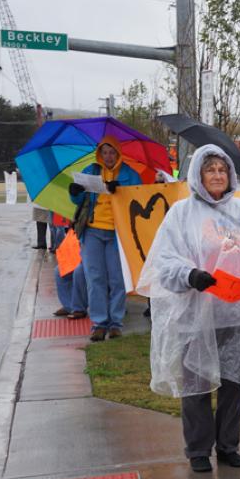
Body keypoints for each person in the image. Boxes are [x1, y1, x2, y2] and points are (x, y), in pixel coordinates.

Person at [137, 145, 240, 473]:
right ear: (198, 174)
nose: (218, 176)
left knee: (232, 384)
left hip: (238, 313)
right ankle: (197, 449)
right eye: (211, 170)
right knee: (196, 386)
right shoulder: (182, 213)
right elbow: (165, 261)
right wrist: (190, 275)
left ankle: (228, 445)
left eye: (222, 170)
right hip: (197, 316)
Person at [68, 136, 143, 341]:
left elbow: (139, 199)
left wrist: (121, 191)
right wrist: (74, 192)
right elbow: (78, 198)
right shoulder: (90, 171)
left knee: (117, 280)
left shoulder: (130, 174)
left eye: (112, 152)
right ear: (99, 154)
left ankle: (116, 323)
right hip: (92, 231)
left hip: (118, 234)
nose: (108, 156)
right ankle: (99, 323)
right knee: (95, 278)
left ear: (118, 154)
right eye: (105, 152)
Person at [49, 212, 88, 319]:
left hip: (91, 248)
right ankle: (69, 306)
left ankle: (79, 308)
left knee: (79, 271)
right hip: (79, 247)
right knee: (59, 270)